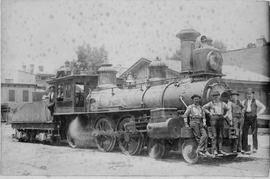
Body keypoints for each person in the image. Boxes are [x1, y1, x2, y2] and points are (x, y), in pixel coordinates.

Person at [203, 91, 230, 156]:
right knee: (214, 135)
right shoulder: (211, 103)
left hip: (221, 118)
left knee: (220, 135)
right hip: (213, 119)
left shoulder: (222, 103)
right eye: (214, 96)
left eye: (217, 96)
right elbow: (203, 107)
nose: (216, 97)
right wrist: (209, 113)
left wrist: (225, 115)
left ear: (219, 96)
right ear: (212, 97)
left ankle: (220, 150)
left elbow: (228, 109)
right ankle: (214, 150)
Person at [242, 88, 266, 153]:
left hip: (253, 119)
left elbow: (263, 107)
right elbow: (241, 109)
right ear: (246, 95)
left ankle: (255, 148)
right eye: (248, 94)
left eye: (250, 94)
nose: (249, 95)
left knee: (254, 133)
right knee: (244, 133)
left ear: (253, 95)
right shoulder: (244, 101)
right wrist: (242, 112)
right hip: (246, 118)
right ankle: (244, 148)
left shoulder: (256, 101)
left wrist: (258, 114)